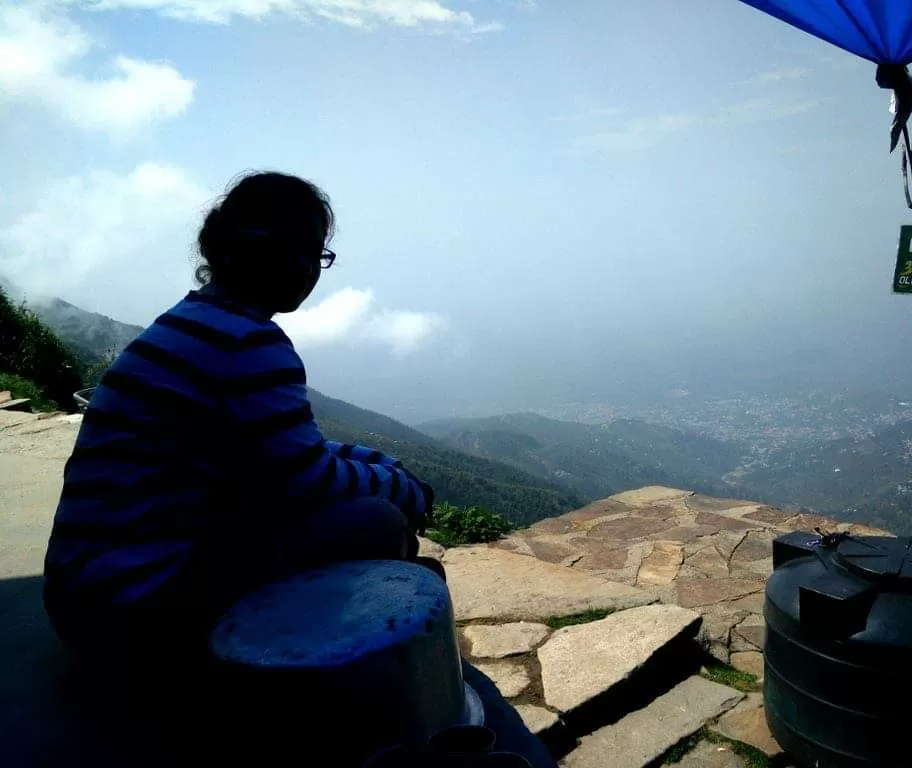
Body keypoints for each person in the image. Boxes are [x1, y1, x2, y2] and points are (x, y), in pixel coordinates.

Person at [41, 171, 555, 768]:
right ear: (238, 250)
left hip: (91, 595)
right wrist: (405, 486)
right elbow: (307, 479)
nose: (307, 268)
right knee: (378, 523)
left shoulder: (192, 325)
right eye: (301, 251)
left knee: (369, 515)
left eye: (314, 253)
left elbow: (291, 454)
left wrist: (379, 463)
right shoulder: (245, 341)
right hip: (136, 614)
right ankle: (363, 700)